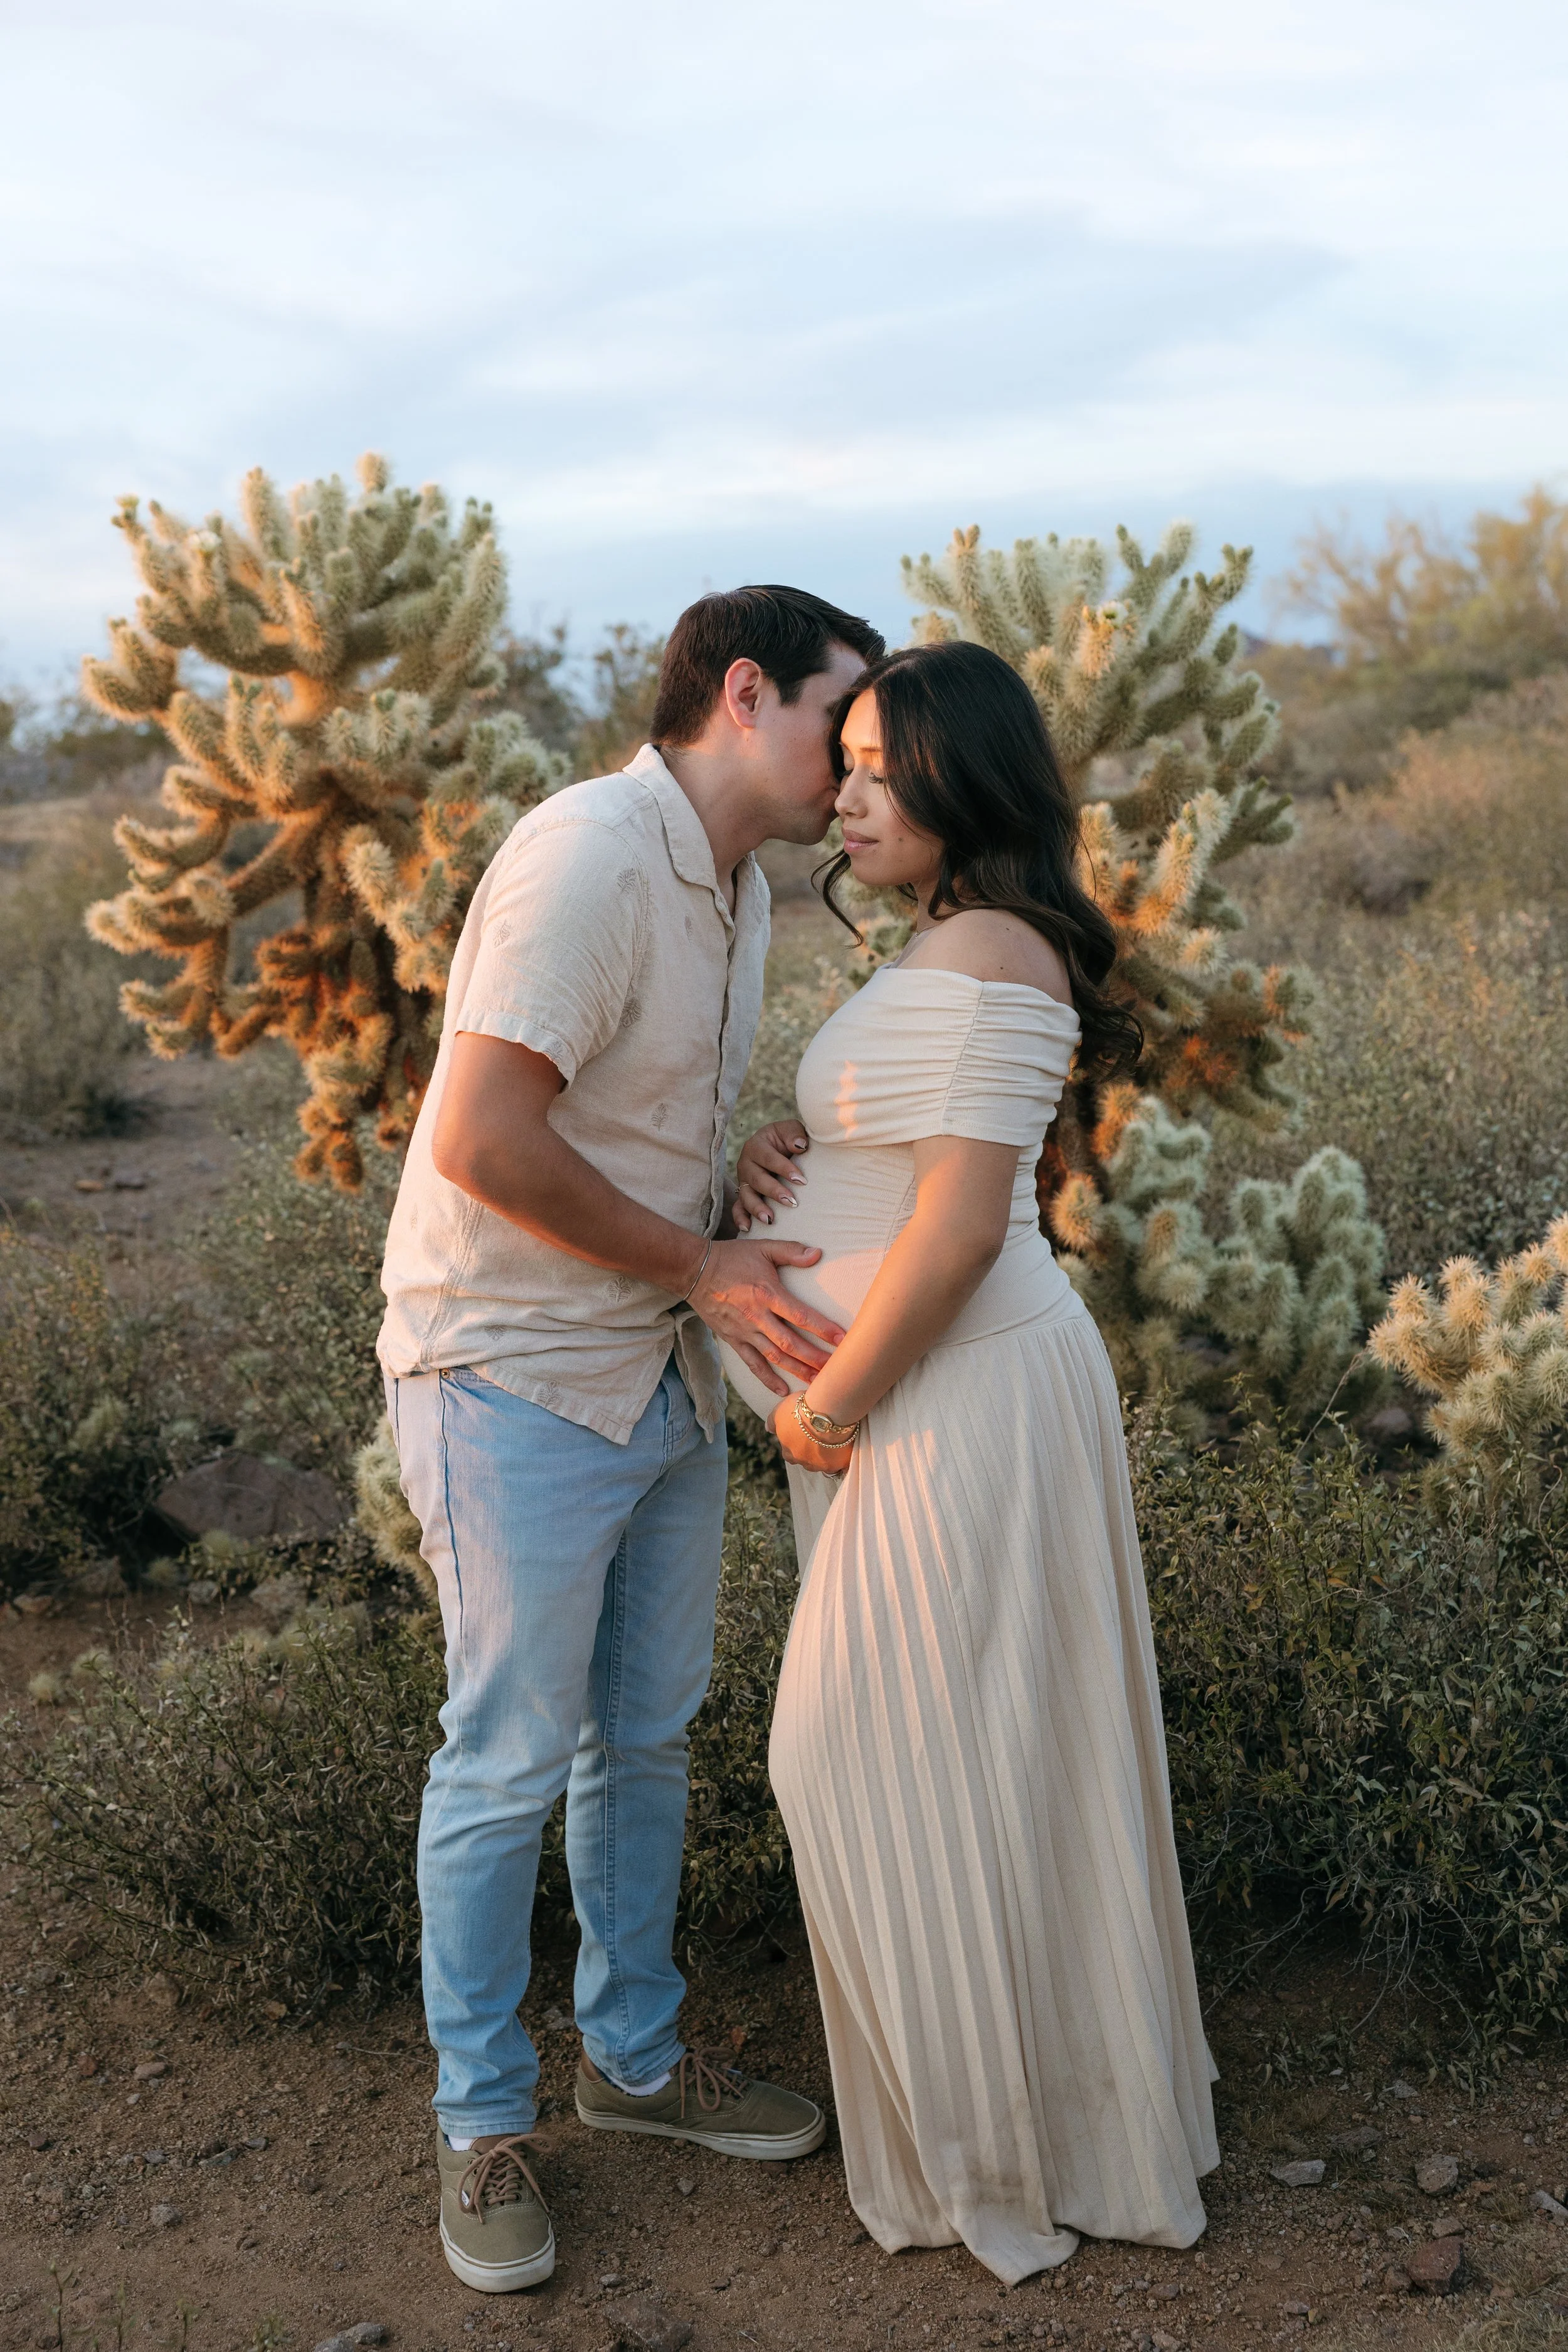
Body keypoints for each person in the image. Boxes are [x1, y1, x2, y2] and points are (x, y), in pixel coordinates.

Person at [377, 585, 885, 2293]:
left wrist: (729, 1184)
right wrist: (700, 1263)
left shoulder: (737, 889)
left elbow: (616, 1117)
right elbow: (480, 1137)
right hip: (511, 1370)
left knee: (642, 1740)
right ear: (743, 692)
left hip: (657, 1364)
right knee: (507, 1753)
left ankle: (636, 2062)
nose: (856, 766)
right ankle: (480, 2121)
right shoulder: (591, 853)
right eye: (838, 722)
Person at [722, 639, 1219, 2284]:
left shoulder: (999, 946)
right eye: (847, 762)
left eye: (886, 768)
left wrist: (828, 1410)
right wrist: (788, 1147)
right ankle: (1020, 2128)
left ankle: (1017, 2145)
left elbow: (954, 1232)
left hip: (953, 1396)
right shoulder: (951, 938)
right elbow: (912, 1146)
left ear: (967, 777)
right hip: (915, 1396)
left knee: (857, 1749)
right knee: (979, 1756)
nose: (847, 795)